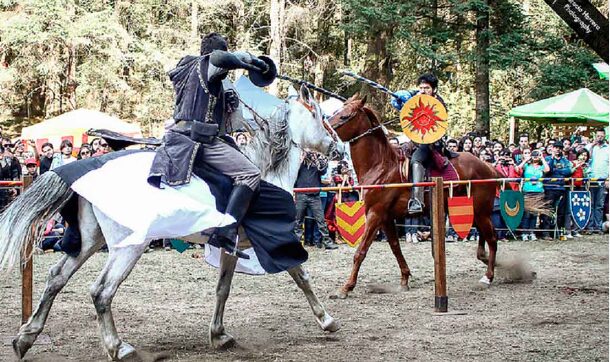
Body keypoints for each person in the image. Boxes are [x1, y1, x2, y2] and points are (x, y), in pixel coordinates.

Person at [148, 32, 276, 259]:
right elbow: (219, 58)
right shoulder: (208, 64)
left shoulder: (185, 67)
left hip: (178, 135)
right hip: (201, 140)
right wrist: (251, 62)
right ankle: (226, 231)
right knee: (250, 174)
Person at [390, 73, 449, 214]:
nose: (423, 91)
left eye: (427, 88)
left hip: (431, 141)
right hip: (413, 139)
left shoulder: (438, 104)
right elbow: (407, 100)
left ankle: (417, 200)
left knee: (416, 160)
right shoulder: (416, 96)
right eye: (421, 87)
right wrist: (401, 97)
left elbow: (436, 128)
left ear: (434, 90)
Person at [294, 151, 337, 250]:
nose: (310, 154)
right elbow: (294, 171)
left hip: (314, 195)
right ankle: (296, 244)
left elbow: (323, 171)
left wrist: (317, 158)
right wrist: (301, 158)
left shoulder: (317, 163)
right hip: (301, 194)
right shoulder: (299, 162)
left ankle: (326, 241)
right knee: (298, 221)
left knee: (321, 220)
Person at [539, 143, 572, 240]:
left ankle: (558, 233)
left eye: (560, 148)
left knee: (561, 212)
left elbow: (568, 172)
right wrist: (555, 164)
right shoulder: (548, 159)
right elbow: (548, 170)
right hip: (549, 188)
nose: (558, 150)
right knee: (548, 211)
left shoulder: (564, 160)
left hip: (561, 188)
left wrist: (557, 170)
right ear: (552, 148)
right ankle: (545, 233)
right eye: (556, 148)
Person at [515, 148, 549, 240]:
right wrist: (526, 159)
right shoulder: (527, 166)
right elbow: (518, 168)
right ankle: (525, 233)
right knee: (527, 214)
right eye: (534, 154)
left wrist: (542, 158)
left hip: (538, 191)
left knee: (534, 213)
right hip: (527, 191)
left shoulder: (541, 167)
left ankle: (532, 232)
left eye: (536, 154)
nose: (535, 156)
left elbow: (547, 169)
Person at [586, 128, 609, 234]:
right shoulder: (590, 147)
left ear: (605, 136)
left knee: (599, 205)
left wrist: (608, 178)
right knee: (590, 204)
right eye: (598, 135)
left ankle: (598, 227)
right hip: (591, 180)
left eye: (601, 136)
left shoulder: (608, 148)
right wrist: (592, 146)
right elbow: (585, 158)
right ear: (595, 136)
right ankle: (590, 227)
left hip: (603, 181)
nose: (599, 137)